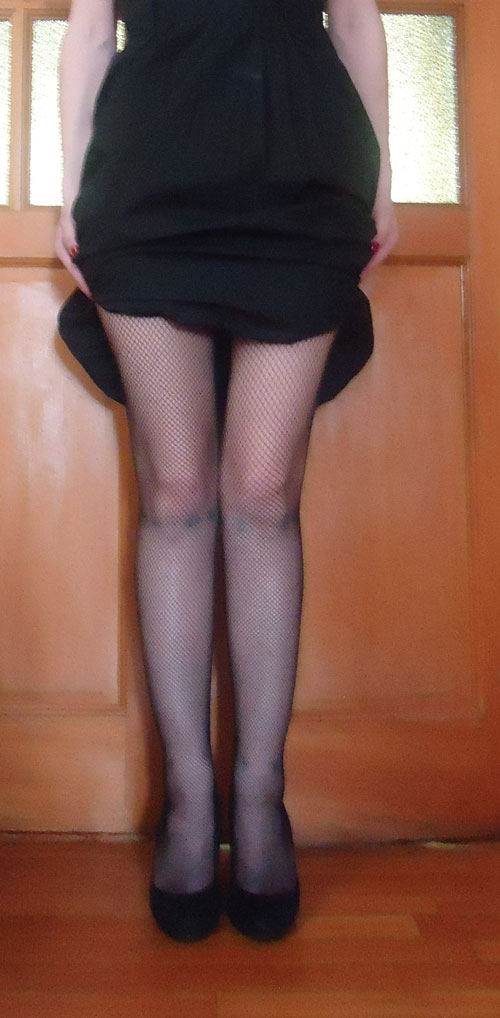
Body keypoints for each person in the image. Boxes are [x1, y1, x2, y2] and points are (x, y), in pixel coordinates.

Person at [55, 0, 399, 944]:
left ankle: (259, 796)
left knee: (262, 494)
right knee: (175, 495)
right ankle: (189, 799)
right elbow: (89, 30)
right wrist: (70, 189)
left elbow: (357, 21)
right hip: (145, 177)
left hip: (305, 175)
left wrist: (382, 180)